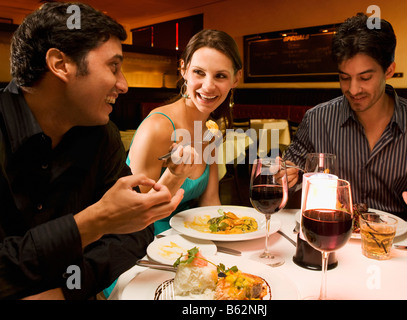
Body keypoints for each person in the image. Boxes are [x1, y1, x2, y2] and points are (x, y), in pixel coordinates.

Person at [0, 2, 183, 300]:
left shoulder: (100, 134)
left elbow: (135, 233)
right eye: (113, 66)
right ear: (60, 64)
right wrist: (94, 222)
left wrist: (66, 289)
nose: (123, 85)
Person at [284, 13, 407, 227]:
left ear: (389, 70)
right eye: (344, 78)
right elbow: (291, 171)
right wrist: (286, 178)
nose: (353, 90)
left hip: (396, 242)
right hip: (332, 235)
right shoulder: (317, 119)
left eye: (365, 78)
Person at [127, 29, 242, 234]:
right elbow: (137, 217)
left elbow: (210, 202)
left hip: (190, 238)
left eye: (220, 76)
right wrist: (174, 175)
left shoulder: (210, 132)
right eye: (199, 72)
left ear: (235, 79)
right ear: (183, 70)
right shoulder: (157, 127)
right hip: (149, 243)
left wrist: (227, 238)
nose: (208, 86)